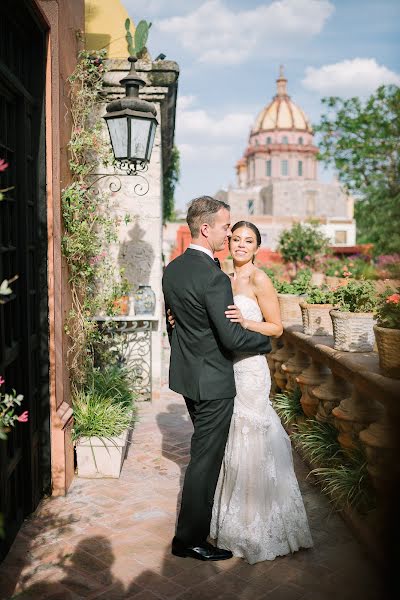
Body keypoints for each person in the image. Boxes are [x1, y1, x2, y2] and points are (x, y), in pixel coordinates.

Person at [162, 197, 272, 562]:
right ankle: (189, 540)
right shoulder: (212, 276)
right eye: (226, 227)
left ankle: (205, 524)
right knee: (204, 460)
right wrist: (265, 341)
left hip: (189, 378)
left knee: (203, 455)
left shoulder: (172, 269)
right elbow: (232, 338)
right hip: (214, 383)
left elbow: (173, 323)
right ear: (206, 228)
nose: (230, 234)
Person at [210, 220, 313, 563]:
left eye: (247, 240)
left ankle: (260, 523)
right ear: (229, 243)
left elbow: (277, 327)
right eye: (236, 239)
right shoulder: (223, 278)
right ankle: (234, 522)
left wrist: (245, 321)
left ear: (256, 248)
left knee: (252, 433)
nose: (240, 245)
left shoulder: (259, 279)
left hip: (252, 369)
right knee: (232, 437)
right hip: (227, 367)